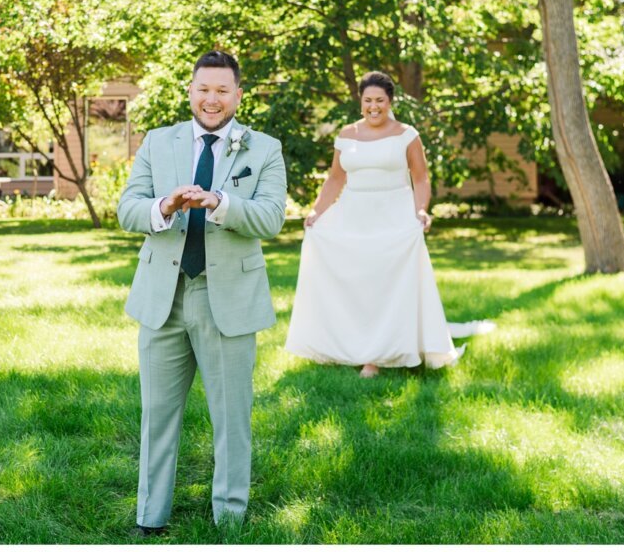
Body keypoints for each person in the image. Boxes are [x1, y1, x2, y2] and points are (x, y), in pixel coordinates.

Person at [117, 50, 287, 536]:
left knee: (232, 419)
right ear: (190, 91)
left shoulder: (264, 148)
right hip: (162, 298)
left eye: (222, 90)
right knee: (157, 415)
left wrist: (221, 203)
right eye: (203, 89)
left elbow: (271, 218)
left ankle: (229, 520)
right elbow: (128, 209)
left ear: (238, 95)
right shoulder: (157, 141)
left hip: (227, 298)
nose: (212, 99)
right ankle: (150, 518)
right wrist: (164, 206)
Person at [285, 71, 487, 378]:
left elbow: (420, 177)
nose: (374, 106)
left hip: (393, 215)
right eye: (368, 100)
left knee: (385, 284)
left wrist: (421, 210)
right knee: (357, 284)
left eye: (380, 100)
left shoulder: (407, 134)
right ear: (360, 101)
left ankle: (375, 357)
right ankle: (350, 344)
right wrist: (316, 211)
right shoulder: (347, 134)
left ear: (390, 101)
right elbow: (336, 178)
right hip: (353, 215)